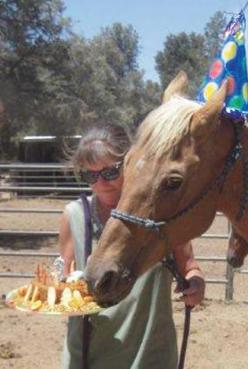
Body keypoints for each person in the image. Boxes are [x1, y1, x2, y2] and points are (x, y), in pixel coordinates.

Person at [58, 123, 205, 369]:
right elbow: (64, 279)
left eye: (110, 172)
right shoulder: (73, 215)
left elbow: (190, 267)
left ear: (129, 162)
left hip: (149, 352)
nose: (101, 183)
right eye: (91, 176)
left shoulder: (161, 214)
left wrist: (195, 285)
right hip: (86, 353)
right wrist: (61, 292)